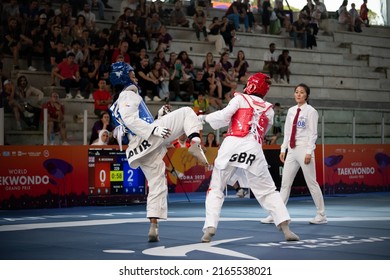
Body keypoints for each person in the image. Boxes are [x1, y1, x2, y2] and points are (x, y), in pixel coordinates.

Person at [109, 60, 208, 242]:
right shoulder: (128, 94)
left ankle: (153, 226)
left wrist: (158, 118)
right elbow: (130, 120)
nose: (135, 77)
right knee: (187, 112)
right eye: (131, 74)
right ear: (123, 77)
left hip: (137, 148)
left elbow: (135, 123)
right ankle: (193, 142)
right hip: (147, 138)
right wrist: (154, 129)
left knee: (157, 184)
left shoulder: (118, 102)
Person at [199, 72, 300, 243]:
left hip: (231, 144)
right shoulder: (269, 109)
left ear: (251, 85)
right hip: (253, 148)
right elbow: (262, 133)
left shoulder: (239, 99)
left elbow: (223, 117)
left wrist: (203, 118)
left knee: (216, 187)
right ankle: (286, 229)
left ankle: (210, 227)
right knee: (268, 190)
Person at [261, 83, 327, 225]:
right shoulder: (291, 111)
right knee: (285, 184)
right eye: (296, 92)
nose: (298, 94)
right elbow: (287, 132)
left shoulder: (311, 111)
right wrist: (283, 149)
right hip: (291, 149)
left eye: (302, 92)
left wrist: (309, 151)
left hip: (304, 149)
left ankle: (321, 214)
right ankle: (277, 214)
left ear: (307, 95)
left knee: (312, 183)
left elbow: (313, 133)